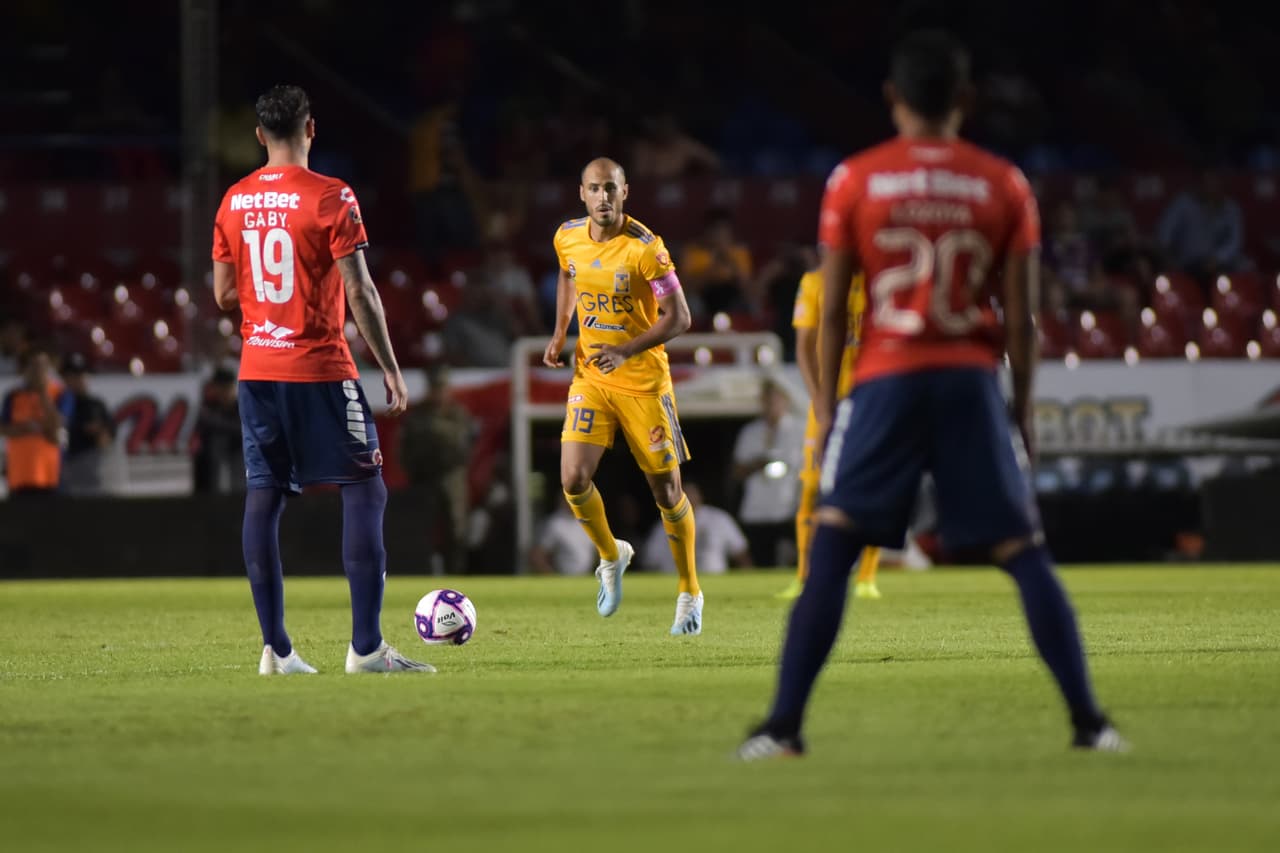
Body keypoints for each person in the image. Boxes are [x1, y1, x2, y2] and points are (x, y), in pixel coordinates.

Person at [738, 31, 1126, 759]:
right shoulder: (1003, 183)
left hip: (885, 377)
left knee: (832, 550)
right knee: (1022, 548)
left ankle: (784, 727)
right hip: (968, 377)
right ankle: (1090, 723)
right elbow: (1023, 317)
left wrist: (828, 413)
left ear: (893, 98)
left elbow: (827, 311)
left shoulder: (855, 180)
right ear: (966, 99)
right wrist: (1021, 411)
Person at [212, 84, 431, 675]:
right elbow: (359, 288)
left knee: (265, 496)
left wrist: (267, 320)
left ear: (259, 136)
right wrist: (388, 367)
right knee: (365, 489)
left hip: (257, 372)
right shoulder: (333, 196)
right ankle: (364, 649)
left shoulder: (232, 201)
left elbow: (224, 293)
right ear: (311, 129)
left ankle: (276, 650)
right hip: (319, 369)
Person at [543, 157, 703, 635]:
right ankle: (612, 555)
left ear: (625, 192)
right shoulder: (566, 236)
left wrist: (627, 348)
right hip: (591, 375)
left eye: (611, 189)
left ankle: (689, 592)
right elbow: (569, 276)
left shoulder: (646, 249)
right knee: (572, 478)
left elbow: (680, 317)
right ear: (582, 193)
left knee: (667, 491)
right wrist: (559, 333)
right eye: (595, 189)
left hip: (643, 383)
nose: (604, 198)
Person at [777, 260, 882, 602]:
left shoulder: (879, 280)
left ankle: (866, 578)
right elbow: (804, 345)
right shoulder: (814, 281)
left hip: (871, 400)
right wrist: (820, 398)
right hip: (828, 402)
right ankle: (805, 576)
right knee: (810, 489)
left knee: (874, 488)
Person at [398, 363, 474, 575]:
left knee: (456, 529)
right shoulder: (417, 414)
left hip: (452, 476)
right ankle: (422, 571)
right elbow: (405, 448)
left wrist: (434, 429)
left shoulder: (458, 414)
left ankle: (457, 574)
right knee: (422, 529)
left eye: (442, 387)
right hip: (424, 477)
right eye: (435, 387)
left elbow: (463, 443)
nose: (439, 392)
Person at [731, 380, 805, 567]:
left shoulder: (799, 430)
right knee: (763, 563)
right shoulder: (750, 432)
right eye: (766, 401)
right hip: (756, 511)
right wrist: (758, 464)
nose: (770, 405)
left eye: (775, 400)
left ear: (785, 401)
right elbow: (737, 471)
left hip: (789, 509)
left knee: (797, 561)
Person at [640, 482, 751, 575]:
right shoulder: (663, 525)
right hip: (676, 584)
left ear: (700, 496)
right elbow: (650, 562)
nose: (687, 498)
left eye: (691, 494)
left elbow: (740, 553)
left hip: (714, 580)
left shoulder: (719, 519)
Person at [1, 348, 68, 497]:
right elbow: (3, 428)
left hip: (50, 476)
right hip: (19, 476)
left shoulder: (60, 393)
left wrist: (42, 392)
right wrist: (27, 429)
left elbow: (57, 424)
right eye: (34, 366)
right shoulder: (13, 396)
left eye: (43, 367)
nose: (38, 372)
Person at [60, 353, 118, 496]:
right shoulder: (60, 403)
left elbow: (109, 433)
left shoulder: (96, 405)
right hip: (65, 476)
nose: (79, 379)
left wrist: (102, 434)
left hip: (93, 475)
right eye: (73, 376)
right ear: (65, 379)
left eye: (82, 375)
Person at [191, 365, 244, 495]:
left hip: (239, 456)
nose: (224, 393)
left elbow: (243, 430)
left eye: (227, 388)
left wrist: (219, 424)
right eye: (220, 388)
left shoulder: (242, 407)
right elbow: (201, 428)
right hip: (215, 459)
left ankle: (239, 497)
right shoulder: (210, 407)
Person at [528, 493, 599, 576]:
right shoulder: (554, 523)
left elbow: (600, 553)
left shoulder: (589, 522)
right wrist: (552, 577)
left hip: (585, 579)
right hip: (564, 579)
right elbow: (537, 555)